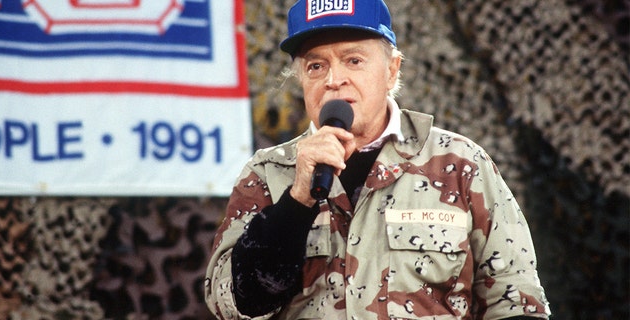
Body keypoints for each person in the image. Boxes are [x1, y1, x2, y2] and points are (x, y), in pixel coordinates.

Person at [205, 0, 551, 319]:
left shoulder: (461, 165)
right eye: (315, 65)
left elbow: (516, 299)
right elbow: (233, 306)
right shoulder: (267, 173)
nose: (333, 79)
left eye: (353, 60)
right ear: (300, 80)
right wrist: (297, 202)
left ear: (391, 70)